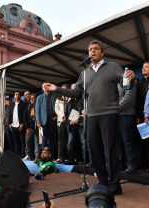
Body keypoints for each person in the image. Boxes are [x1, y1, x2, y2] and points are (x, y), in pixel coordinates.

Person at [45, 40, 135, 195]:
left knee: (111, 150)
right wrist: (57, 89)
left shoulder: (113, 67)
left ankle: (115, 184)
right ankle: (102, 182)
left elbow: (126, 85)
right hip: (91, 116)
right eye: (90, 50)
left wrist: (131, 80)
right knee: (95, 150)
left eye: (96, 49)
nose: (93, 51)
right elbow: (75, 92)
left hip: (109, 114)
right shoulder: (84, 73)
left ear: (102, 52)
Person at [136, 61, 149, 173]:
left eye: (146, 67)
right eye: (143, 67)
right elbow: (138, 102)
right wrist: (139, 116)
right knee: (147, 143)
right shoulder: (139, 83)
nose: (143, 69)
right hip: (144, 117)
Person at [117, 75, 138, 173]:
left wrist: (114, 109)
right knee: (118, 142)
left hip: (126, 116)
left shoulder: (129, 81)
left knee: (128, 141)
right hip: (115, 116)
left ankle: (131, 164)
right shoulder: (114, 84)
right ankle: (121, 164)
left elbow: (129, 98)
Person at [36, 83, 58, 159]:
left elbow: (57, 107)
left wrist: (57, 116)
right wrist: (38, 121)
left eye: (47, 86)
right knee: (44, 138)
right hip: (43, 121)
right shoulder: (39, 97)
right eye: (44, 87)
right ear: (42, 88)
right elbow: (37, 110)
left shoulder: (54, 96)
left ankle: (52, 156)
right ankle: (42, 157)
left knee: (52, 138)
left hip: (52, 120)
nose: (45, 88)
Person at [54, 84, 69, 163]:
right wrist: (63, 116)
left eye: (65, 89)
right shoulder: (58, 98)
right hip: (61, 121)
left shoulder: (70, 98)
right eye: (62, 89)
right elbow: (56, 109)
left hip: (69, 122)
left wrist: (67, 117)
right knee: (61, 140)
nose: (64, 91)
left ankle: (69, 157)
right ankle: (61, 157)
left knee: (69, 140)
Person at [9, 91, 26, 157]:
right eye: (16, 94)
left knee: (22, 141)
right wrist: (10, 123)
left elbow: (25, 115)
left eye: (18, 94)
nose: (17, 95)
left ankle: (23, 154)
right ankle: (17, 154)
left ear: (20, 96)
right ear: (14, 96)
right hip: (13, 126)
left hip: (20, 125)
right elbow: (10, 114)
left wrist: (23, 123)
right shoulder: (12, 105)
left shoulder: (23, 104)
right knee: (16, 141)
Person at [23, 93, 39, 161]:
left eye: (33, 98)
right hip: (30, 127)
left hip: (38, 127)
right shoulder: (28, 106)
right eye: (31, 98)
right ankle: (28, 155)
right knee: (28, 141)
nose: (32, 99)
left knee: (37, 142)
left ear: (36, 98)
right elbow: (24, 117)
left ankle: (36, 155)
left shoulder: (39, 105)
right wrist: (27, 127)